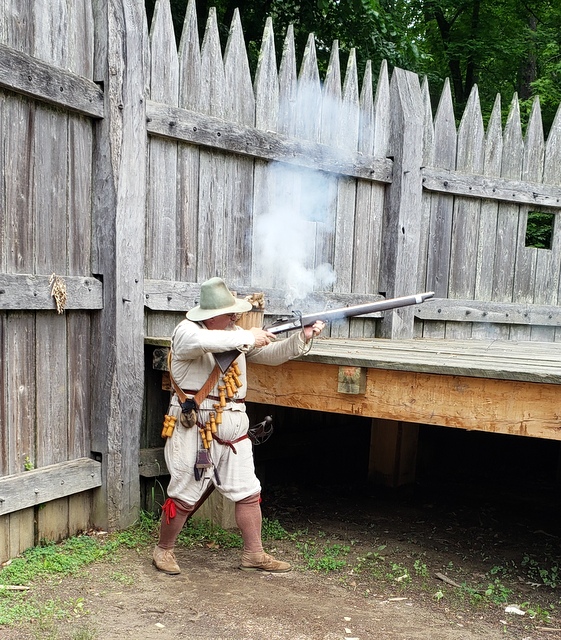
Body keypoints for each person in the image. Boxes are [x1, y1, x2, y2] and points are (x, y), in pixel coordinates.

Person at [153, 277, 325, 575]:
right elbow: (206, 343)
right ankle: (163, 549)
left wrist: (302, 337)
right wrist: (248, 336)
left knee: (248, 492)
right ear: (210, 315)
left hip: (234, 425)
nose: (235, 316)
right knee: (183, 494)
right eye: (229, 312)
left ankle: (254, 554)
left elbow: (270, 355)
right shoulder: (186, 332)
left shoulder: (235, 334)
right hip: (196, 426)